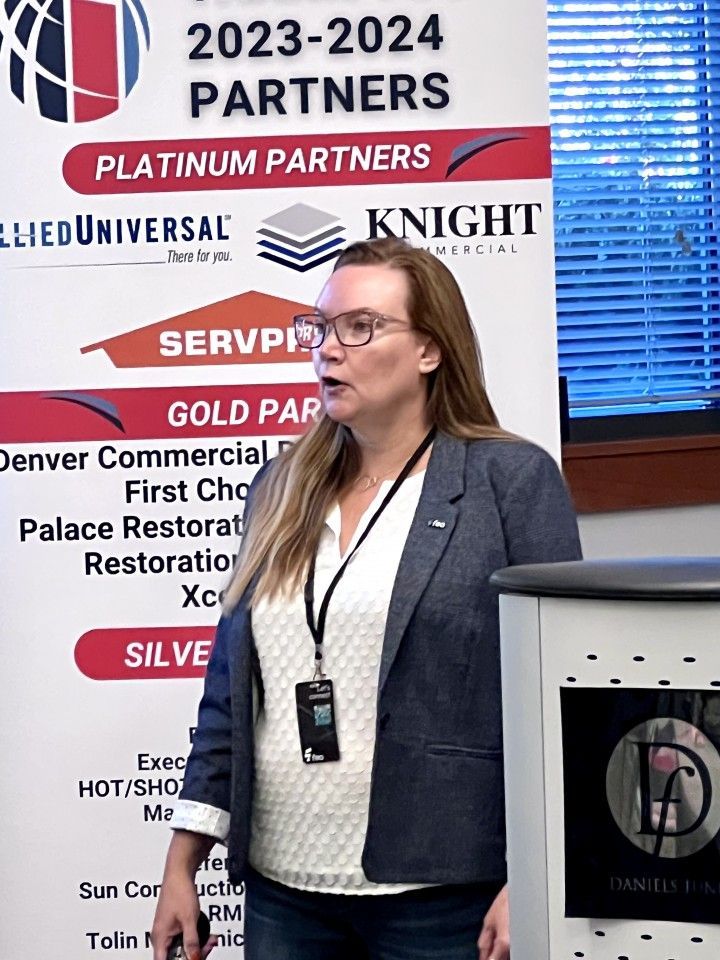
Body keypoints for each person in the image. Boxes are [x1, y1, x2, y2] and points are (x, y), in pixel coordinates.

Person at [151, 238, 582, 960]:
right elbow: (229, 696)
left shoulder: (509, 482)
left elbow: (562, 692)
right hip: (284, 891)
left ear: (430, 351)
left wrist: (535, 872)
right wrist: (179, 864)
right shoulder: (281, 487)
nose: (328, 350)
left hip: (445, 892)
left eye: (360, 327)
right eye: (319, 328)